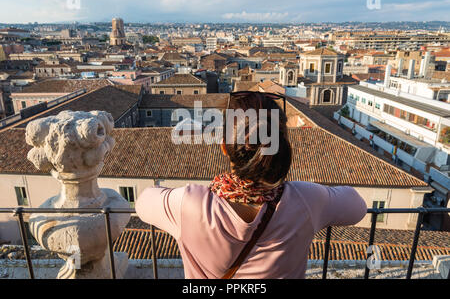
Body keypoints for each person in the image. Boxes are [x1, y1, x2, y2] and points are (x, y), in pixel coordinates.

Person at [136, 92, 367, 279]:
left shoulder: (188, 204)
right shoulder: (307, 200)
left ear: (224, 146)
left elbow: (144, 201)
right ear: (281, 145)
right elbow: (357, 206)